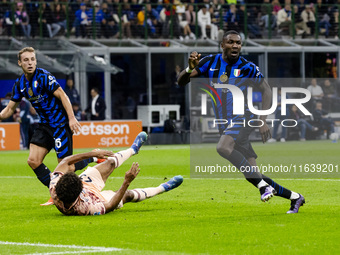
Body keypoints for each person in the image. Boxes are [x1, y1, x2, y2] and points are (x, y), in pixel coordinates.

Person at [177, 30, 305, 214]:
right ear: (222, 45)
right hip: (225, 123)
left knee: (222, 148)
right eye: (231, 42)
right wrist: (189, 69)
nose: (235, 46)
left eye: (238, 43)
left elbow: (267, 90)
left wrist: (262, 121)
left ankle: (263, 187)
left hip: (242, 118)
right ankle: (295, 197)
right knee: (253, 174)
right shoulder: (209, 62)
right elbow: (181, 82)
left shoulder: (247, 66)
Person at [0, 47, 99, 205]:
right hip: (44, 126)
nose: (30, 62)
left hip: (60, 124)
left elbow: (62, 94)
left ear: (36, 61)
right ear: (19, 63)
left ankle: (93, 156)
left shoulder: (44, 76)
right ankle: (56, 192)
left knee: (68, 167)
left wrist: (71, 118)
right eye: (26, 60)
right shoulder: (19, 84)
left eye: (32, 59)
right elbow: (9, 109)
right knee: (33, 160)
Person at [49, 131, 184, 215]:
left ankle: (133, 150)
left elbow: (65, 162)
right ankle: (163, 187)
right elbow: (110, 205)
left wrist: (92, 154)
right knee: (127, 195)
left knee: (110, 163)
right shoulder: (86, 208)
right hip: (95, 198)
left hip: (81, 187)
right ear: (79, 192)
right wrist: (126, 182)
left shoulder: (55, 185)